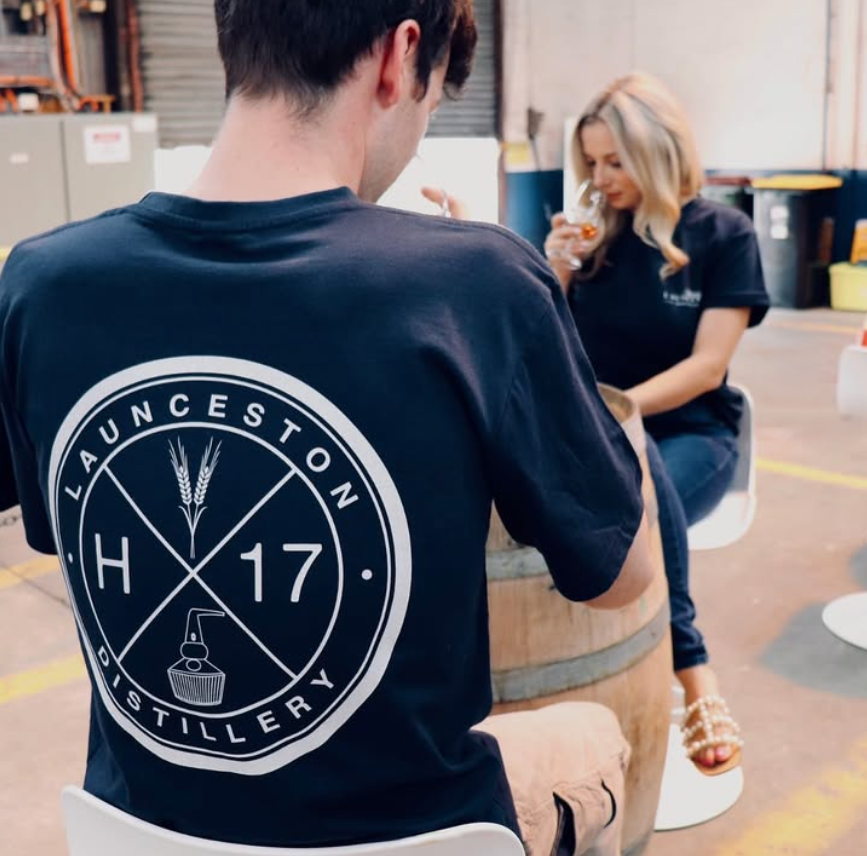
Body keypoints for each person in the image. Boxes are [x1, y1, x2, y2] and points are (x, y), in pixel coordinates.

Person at [0, 4, 657, 855]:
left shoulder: (42, 284)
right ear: (398, 58)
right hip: (413, 838)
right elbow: (621, 575)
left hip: (136, 832)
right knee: (595, 736)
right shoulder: (478, 285)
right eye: (429, 106)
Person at [545, 72, 769, 775]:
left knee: (641, 479)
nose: (600, 178)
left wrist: (622, 416)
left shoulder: (723, 235)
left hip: (694, 435)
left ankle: (692, 670)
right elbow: (541, 346)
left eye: (616, 161)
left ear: (659, 152)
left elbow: (706, 368)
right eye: (591, 163)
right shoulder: (590, 240)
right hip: (598, 438)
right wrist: (555, 271)